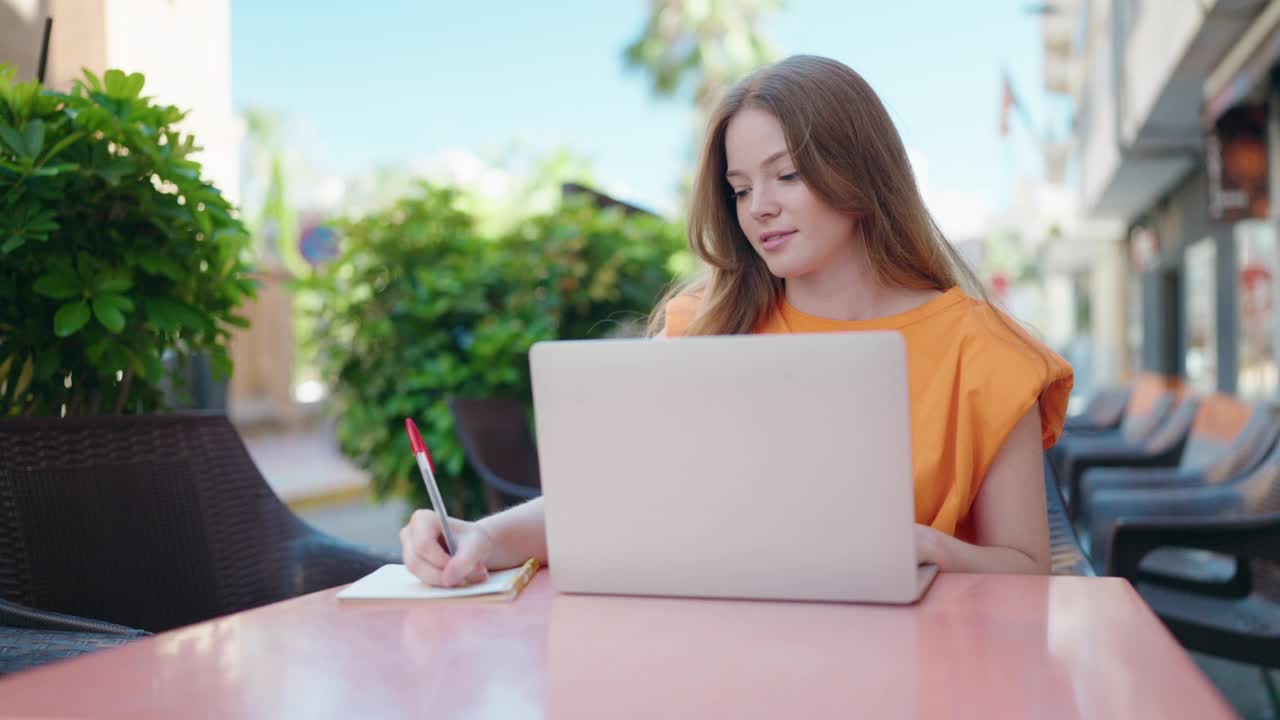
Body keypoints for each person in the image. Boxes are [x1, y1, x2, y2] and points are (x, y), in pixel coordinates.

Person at [400, 55, 1073, 587]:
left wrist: (929, 549)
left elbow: (1026, 571)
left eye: (787, 176)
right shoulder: (704, 326)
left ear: (862, 174)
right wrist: (484, 537)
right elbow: (612, 505)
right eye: (742, 188)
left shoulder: (983, 352)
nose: (760, 209)